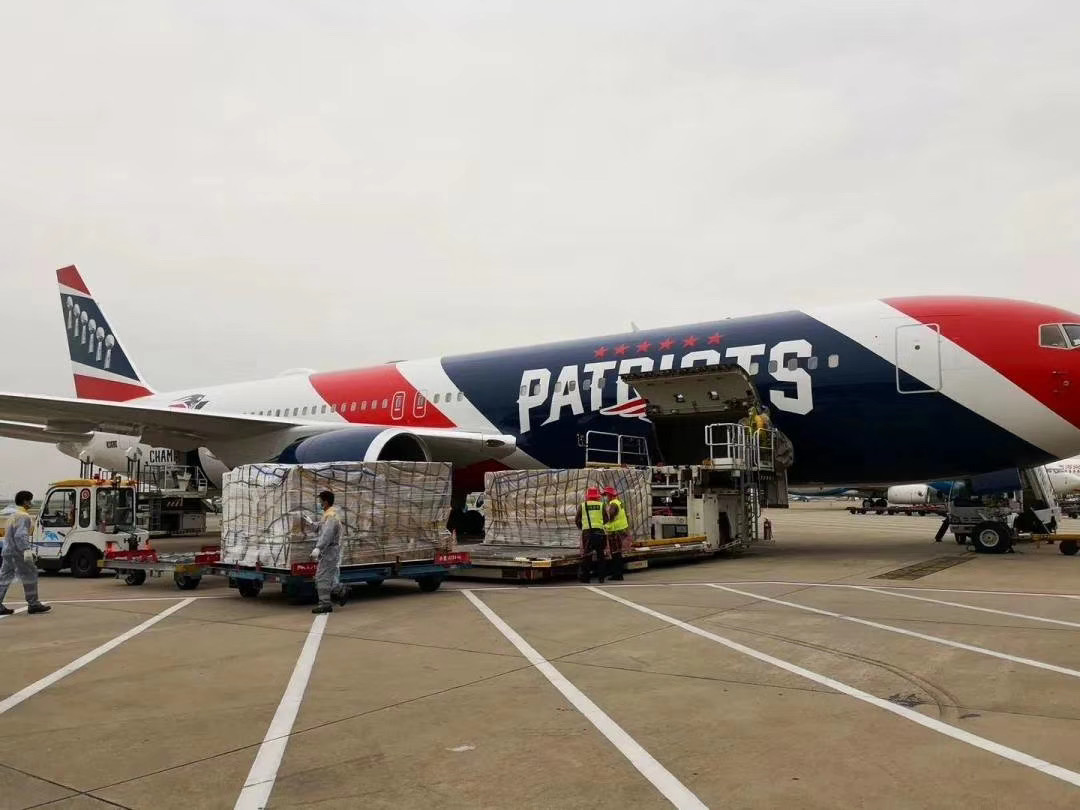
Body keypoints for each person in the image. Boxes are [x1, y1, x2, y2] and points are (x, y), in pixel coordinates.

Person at [0, 491, 51, 615]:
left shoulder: (14, 515)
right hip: (17, 553)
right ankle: (33, 604)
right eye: (29, 500)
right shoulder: (24, 516)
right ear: (25, 501)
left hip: (8, 551)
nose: (31, 503)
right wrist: (26, 550)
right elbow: (20, 535)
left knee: (4, 578)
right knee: (30, 575)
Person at [310, 490, 347, 614]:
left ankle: (325, 603)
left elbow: (327, 534)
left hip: (329, 550)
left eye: (320, 500)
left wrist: (318, 547)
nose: (319, 503)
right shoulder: (328, 514)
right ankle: (340, 590)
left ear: (325, 502)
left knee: (322, 577)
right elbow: (322, 527)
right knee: (326, 577)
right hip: (329, 551)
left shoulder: (331, 516)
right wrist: (311, 524)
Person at [574, 487, 608, 583]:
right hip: (600, 532)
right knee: (601, 555)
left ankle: (586, 578)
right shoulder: (601, 505)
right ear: (597, 497)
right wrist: (600, 524)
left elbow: (577, 520)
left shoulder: (583, 506)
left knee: (587, 555)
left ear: (588, 497)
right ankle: (601, 577)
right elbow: (606, 519)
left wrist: (583, 527)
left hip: (587, 533)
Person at [602, 486, 629, 581]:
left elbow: (610, 517)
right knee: (617, 553)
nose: (604, 497)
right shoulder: (618, 502)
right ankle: (618, 573)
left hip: (615, 532)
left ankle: (617, 575)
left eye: (605, 495)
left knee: (615, 554)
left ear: (609, 495)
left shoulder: (613, 504)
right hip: (620, 530)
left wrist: (603, 523)